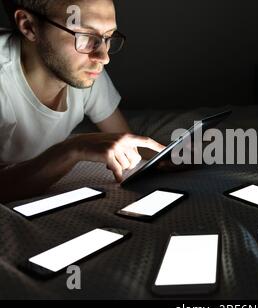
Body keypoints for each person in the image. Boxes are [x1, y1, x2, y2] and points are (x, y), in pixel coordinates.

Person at [0, 0, 165, 203]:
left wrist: (175, 156)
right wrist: (74, 148)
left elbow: (126, 139)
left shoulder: (84, 71)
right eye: (85, 36)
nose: (103, 57)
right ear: (29, 26)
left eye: (108, 37)